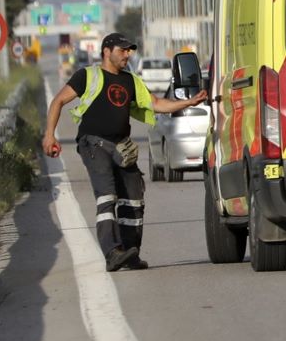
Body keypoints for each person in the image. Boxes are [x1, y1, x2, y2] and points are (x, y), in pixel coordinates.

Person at [40, 33, 207, 272]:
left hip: (121, 146)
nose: (127, 55)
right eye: (122, 50)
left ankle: (130, 252)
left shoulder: (131, 80)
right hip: (94, 144)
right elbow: (57, 101)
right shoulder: (87, 76)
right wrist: (49, 135)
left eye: (129, 50)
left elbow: (156, 103)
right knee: (107, 196)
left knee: (134, 197)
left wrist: (188, 103)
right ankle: (112, 252)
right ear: (107, 51)